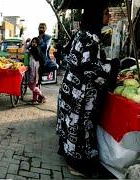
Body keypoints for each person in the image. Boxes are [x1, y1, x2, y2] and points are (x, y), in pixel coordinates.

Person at [56, 0, 112, 177]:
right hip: (79, 94)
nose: (109, 16)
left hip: (72, 90)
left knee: (70, 125)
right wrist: (112, 68)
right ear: (96, 15)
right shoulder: (90, 37)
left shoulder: (82, 34)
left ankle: (69, 156)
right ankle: (76, 165)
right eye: (106, 13)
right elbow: (90, 69)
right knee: (79, 129)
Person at [27, 37, 46, 104]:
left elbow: (37, 59)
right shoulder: (33, 49)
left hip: (34, 69)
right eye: (32, 42)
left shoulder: (36, 49)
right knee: (34, 84)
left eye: (35, 42)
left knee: (31, 85)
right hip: (33, 68)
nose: (33, 43)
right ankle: (34, 100)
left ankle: (41, 95)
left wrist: (29, 48)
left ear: (37, 43)